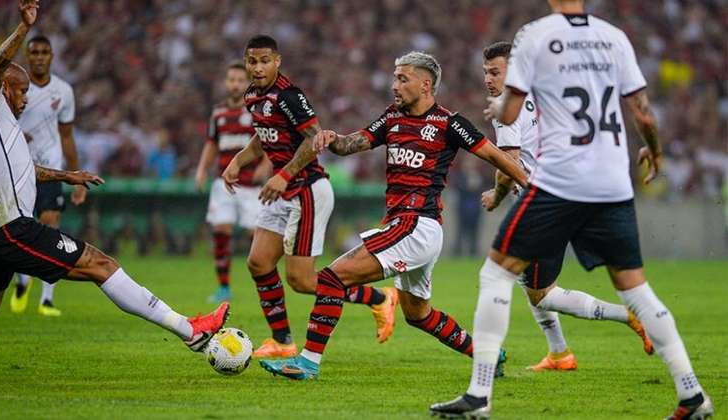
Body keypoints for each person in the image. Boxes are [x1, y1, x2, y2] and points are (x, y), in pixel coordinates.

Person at [430, 1, 713, 418]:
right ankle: (693, 395)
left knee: (495, 274)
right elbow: (644, 115)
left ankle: (478, 396)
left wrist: (497, 110)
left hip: (560, 182)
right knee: (635, 288)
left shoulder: (536, 37)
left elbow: (508, 117)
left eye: (493, 71)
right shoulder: (614, 38)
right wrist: (655, 154)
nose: (488, 77)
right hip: (613, 180)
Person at [0, 0, 230, 356]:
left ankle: (188, 329)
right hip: (6, 227)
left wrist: (67, 175)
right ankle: (188, 329)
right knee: (100, 264)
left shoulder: (2, 129)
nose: (26, 99)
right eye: (21, 92)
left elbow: (22, 169)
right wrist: (23, 28)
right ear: (4, 88)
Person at [259, 51, 528, 380]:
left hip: (416, 224)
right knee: (417, 315)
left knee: (331, 278)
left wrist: (529, 184)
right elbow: (350, 145)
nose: (394, 86)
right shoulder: (391, 118)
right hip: (410, 228)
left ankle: (308, 363)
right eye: (394, 78)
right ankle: (487, 355)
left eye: (403, 79)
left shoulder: (448, 123)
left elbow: (494, 155)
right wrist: (330, 139)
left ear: (425, 84)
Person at [480, 41, 653, 372]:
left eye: (495, 72)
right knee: (529, 282)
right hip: (573, 191)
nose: (488, 79)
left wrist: (496, 195)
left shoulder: (507, 106)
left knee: (532, 288)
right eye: (485, 73)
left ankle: (629, 315)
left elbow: (508, 163)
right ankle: (559, 353)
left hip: (545, 204)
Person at [222, 35, 397, 358]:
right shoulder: (252, 96)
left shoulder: (289, 95)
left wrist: (284, 174)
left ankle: (379, 298)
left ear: (278, 61)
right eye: (251, 61)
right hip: (282, 191)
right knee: (259, 263)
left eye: (264, 61)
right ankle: (282, 342)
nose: (257, 68)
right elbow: (263, 137)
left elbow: (314, 138)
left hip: (306, 190)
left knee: (301, 281)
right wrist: (238, 160)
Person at [8, 34, 83, 317]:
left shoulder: (63, 91)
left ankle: (47, 299)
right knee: (20, 228)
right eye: (34, 52)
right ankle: (22, 280)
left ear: (52, 56)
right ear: (28, 56)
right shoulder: (14, 87)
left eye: (44, 52)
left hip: (51, 169)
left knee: (50, 229)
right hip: (18, 168)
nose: (39, 57)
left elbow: (67, 136)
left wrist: (75, 176)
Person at [195, 61, 271, 303]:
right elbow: (211, 143)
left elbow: (269, 140)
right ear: (226, 82)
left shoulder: (256, 110)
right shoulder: (218, 113)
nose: (235, 84)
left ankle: (267, 285)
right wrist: (201, 170)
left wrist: (265, 166)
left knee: (255, 237)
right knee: (220, 231)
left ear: (246, 83)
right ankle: (224, 288)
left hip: (251, 185)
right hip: (223, 183)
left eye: (240, 80)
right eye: (231, 80)